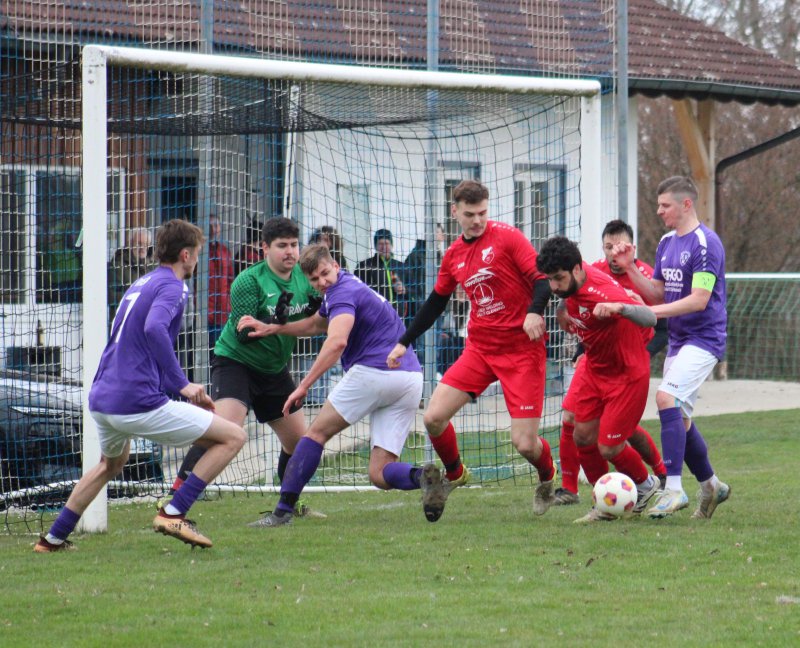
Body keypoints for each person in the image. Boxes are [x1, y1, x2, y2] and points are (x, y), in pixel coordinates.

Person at [34, 219, 247, 552]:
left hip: (103, 399)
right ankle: (173, 512)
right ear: (186, 255)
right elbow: (154, 329)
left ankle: (52, 539)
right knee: (233, 436)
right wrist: (183, 385)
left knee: (110, 465)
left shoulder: (141, 282)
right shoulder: (175, 286)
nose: (197, 260)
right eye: (197, 253)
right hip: (136, 402)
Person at [387, 180, 556, 522]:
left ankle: (547, 477)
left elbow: (542, 280)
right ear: (455, 212)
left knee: (525, 444)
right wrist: (404, 341)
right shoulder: (453, 255)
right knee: (433, 418)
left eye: (482, 213)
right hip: (480, 350)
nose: (477, 220)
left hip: (522, 352)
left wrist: (534, 312)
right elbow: (436, 302)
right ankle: (456, 473)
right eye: (470, 214)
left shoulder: (508, 238)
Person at [238, 244, 426, 527]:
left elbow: (337, 341)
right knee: (379, 473)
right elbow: (316, 324)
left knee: (315, 434)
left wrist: (304, 385)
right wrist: (276, 328)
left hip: (375, 372)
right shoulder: (347, 284)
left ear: (335, 265)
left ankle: (282, 512)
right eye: (314, 279)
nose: (322, 282)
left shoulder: (341, 293)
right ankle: (423, 477)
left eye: (325, 273)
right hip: (409, 379)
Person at [164, 217, 321, 504]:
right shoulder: (249, 281)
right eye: (282, 246)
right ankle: (175, 497)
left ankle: (287, 507)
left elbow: (319, 316)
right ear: (265, 248)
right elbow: (244, 334)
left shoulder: (305, 277)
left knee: (300, 444)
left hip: (273, 369)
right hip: (236, 363)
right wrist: (275, 321)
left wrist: (317, 308)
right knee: (223, 431)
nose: (290, 252)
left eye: (294, 245)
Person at [611, 176, 730, 519]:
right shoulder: (666, 243)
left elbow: (699, 299)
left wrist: (652, 314)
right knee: (681, 419)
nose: (659, 211)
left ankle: (674, 489)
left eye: (665, 205)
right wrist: (630, 268)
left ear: (686, 204)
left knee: (666, 398)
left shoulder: (706, 244)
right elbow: (657, 293)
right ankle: (711, 485)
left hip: (704, 338)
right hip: (680, 340)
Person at [537, 236, 660, 523]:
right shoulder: (572, 283)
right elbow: (566, 298)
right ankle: (604, 504)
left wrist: (620, 308)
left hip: (626, 373)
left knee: (609, 446)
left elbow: (650, 318)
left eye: (558, 279)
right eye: (550, 279)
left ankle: (646, 484)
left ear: (576, 269)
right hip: (595, 368)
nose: (554, 286)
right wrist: (561, 310)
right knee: (582, 437)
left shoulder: (602, 291)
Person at [355, 228, 408, 319]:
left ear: (391, 245)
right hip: (374, 315)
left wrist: (404, 290)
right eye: (380, 244)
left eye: (386, 243)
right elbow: (357, 291)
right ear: (375, 246)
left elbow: (414, 291)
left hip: (397, 316)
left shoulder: (400, 266)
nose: (384, 247)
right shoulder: (365, 266)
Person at [108, 227, 156, 322]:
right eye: (139, 244)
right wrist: (138, 297)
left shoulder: (153, 266)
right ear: (130, 244)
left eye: (146, 244)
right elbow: (110, 296)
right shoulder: (118, 265)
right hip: (125, 322)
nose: (142, 248)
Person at [207, 214, 234, 347]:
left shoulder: (224, 251)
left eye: (216, 225)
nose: (214, 229)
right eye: (210, 226)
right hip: (204, 311)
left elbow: (230, 280)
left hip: (222, 311)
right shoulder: (200, 251)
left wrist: (228, 303)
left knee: (219, 348)